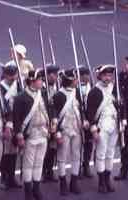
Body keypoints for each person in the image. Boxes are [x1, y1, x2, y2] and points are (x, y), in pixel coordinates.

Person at [13, 69, 51, 200]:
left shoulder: (43, 94)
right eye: (40, 79)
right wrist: (19, 136)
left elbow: (49, 110)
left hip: (43, 133)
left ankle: (36, 188)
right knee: (28, 165)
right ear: (32, 81)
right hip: (30, 134)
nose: (42, 82)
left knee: (39, 163)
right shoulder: (20, 97)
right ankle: (28, 192)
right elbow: (16, 119)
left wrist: (53, 123)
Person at [86, 64, 118, 193]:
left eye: (110, 75)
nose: (108, 77)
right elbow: (90, 112)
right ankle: (101, 182)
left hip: (114, 124)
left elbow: (121, 104)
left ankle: (107, 179)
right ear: (99, 76)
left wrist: (123, 120)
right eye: (105, 75)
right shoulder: (94, 92)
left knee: (110, 154)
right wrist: (93, 129)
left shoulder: (114, 89)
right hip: (101, 126)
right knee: (100, 154)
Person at [53, 68, 82, 196]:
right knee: (62, 157)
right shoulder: (58, 95)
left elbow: (81, 109)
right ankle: (63, 183)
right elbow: (54, 115)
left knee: (76, 155)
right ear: (70, 81)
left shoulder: (77, 92)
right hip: (64, 129)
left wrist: (85, 121)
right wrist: (57, 132)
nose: (77, 81)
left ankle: (74, 182)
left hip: (76, 127)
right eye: (75, 79)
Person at [0, 62, 22, 190]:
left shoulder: (18, 86)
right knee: (5, 153)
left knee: (14, 152)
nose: (14, 78)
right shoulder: (0, 87)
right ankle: (4, 177)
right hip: (4, 123)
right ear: (6, 75)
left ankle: (12, 177)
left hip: (16, 121)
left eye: (15, 75)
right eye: (11, 75)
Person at [42, 63, 60, 182]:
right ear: (46, 76)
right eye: (53, 75)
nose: (55, 77)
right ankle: (43, 171)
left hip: (55, 121)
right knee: (44, 149)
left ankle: (50, 170)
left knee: (53, 148)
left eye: (56, 74)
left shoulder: (56, 87)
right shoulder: (42, 89)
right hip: (44, 122)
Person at [78, 65, 93, 178]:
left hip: (90, 118)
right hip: (79, 118)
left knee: (89, 143)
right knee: (78, 144)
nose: (89, 76)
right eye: (87, 74)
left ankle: (86, 165)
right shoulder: (75, 87)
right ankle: (77, 166)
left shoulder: (92, 86)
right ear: (82, 76)